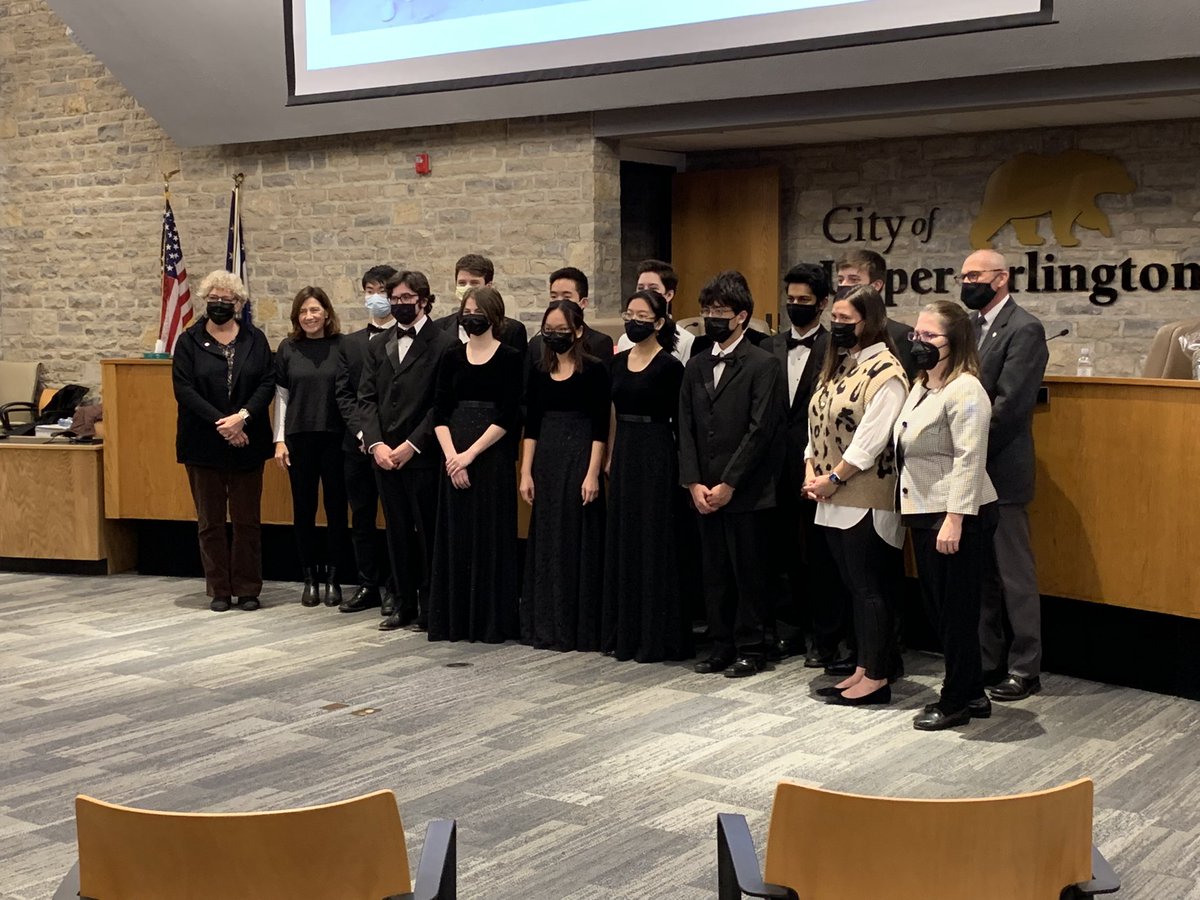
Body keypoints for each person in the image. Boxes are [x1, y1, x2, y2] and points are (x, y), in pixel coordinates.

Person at [895, 300, 999, 730]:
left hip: (957, 512)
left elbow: (970, 458)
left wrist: (954, 518)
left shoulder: (966, 389)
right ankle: (973, 691)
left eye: (930, 336)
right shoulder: (922, 385)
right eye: (917, 335)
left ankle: (955, 701)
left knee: (955, 612)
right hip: (923, 508)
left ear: (954, 342)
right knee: (940, 608)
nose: (919, 342)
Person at [679, 271, 787, 677]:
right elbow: (685, 425)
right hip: (702, 486)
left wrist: (729, 483)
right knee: (714, 572)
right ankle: (720, 644)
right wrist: (693, 482)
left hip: (746, 489)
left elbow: (761, 431)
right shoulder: (697, 363)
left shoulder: (764, 364)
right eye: (707, 311)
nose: (711, 318)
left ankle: (751, 648)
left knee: (749, 572)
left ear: (741, 316)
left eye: (720, 311)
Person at [804, 285, 908, 705]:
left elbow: (871, 440)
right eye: (836, 320)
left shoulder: (887, 372)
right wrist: (811, 468)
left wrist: (833, 477)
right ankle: (864, 666)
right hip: (831, 493)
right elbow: (817, 423)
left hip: (865, 493)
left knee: (870, 588)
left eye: (847, 321)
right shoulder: (841, 364)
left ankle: (878, 677)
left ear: (871, 321)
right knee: (852, 586)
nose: (838, 327)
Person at [959, 249, 1050, 702]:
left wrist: (969, 448)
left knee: (1015, 574)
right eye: (963, 275)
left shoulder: (1024, 327)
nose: (967, 281)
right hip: (969, 473)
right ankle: (987, 660)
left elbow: (1010, 405)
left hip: (1002, 468)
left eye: (974, 274)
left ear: (1002, 278)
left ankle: (1025, 667)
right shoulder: (970, 327)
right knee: (981, 576)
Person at [359, 270, 457, 632]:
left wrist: (412, 445)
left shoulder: (445, 344)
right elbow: (366, 399)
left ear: (425, 301)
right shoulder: (377, 344)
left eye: (407, 298)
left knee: (427, 533)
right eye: (394, 298)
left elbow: (439, 404)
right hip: (385, 457)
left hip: (423, 455)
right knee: (396, 532)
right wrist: (377, 444)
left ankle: (432, 605)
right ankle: (403, 603)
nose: (399, 304)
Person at [171, 270, 273, 612]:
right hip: (203, 444)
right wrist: (224, 424)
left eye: (225, 301)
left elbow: (266, 384)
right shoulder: (188, 341)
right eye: (212, 300)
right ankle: (218, 589)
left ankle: (247, 588)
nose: (218, 305)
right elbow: (184, 390)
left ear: (239, 304)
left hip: (248, 441)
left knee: (247, 521)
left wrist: (242, 418)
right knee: (210, 522)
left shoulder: (254, 339)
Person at [428, 286, 522, 643]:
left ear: (493, 316)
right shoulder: (451, 355)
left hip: (490, 458)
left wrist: (471, 454)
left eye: (477, 310)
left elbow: (508, 414)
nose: (470, 316)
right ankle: (455, 620)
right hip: (453, 456)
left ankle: (489, 622)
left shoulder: (510, 357)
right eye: (465, 310)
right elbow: (439, 411)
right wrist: (453, 456)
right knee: (457, 537)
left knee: (490, 536)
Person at [766, 262, 847, 667]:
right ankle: (787, 631)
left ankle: (826, 639)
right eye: (791, 300)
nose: (796, 306)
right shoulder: (769, 347)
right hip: (775, 467)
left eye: (805, 301)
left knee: (822, 556)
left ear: (823, 304)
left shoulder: (838, 349)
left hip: (822, 467)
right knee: (780, 553)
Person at [602, 289, 690, 662]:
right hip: (624, 451)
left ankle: (656, 634)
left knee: (653, 539)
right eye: (629, 314)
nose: (633, 321)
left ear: (658, 322)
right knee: (625, 538)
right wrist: (608, 455)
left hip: (656, 451)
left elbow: (681, 422)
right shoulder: (618, 363)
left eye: (642, 316)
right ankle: (626, 631)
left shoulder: (671, 366)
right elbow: (611, 412)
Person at [520, 299, 610, 651]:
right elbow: (532, 425)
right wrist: (526, 472)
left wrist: (592, 475)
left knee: (577, 538)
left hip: (579, 456)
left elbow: (600, 426)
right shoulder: (539, 371)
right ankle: (546, 623)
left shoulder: (595, 370)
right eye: (549, 330)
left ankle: (578, 626)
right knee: (546, 540)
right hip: (547, 458)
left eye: (561, 330)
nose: (554, 336)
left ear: (578, 331)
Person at [273, 286, 347, 608]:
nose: (309, 317)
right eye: (303, 312)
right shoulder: (288, 349)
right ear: (296, 317)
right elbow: (282, 397)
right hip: (298, 439)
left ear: (326, 313)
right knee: (303, 511)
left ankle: (334, 578)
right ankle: (310, 579)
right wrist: (279, 439)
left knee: (335, 511)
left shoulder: (342, 346)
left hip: (335, 439)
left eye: (315, 310)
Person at [334, 264, 399, 616]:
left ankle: (394, 585)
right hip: (356, 446)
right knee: (361, 517)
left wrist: (380, 439)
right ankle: (367, 583)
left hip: (391, 446)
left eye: (382, 291)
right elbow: (344, 394)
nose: (376, 297)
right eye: (370, 290)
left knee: (394, 517)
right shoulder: (350, 343)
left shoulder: (403, 339)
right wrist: (362, 434)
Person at [835, 249, 918, 381]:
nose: (844, 286)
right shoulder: (831, 337)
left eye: (853, 280)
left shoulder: (900, 335)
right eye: (840, 280)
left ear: (876, 285)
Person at [433, 253, 528, 353]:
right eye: (462, 283)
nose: (467, 288)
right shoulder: (439, 328)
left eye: (474, 283)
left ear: (488, 286)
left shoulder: (512, 330)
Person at [525, 267, 614, 365]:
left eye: (566, 297)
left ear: (583, 303)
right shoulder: (536, 344)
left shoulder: (599, 343)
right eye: (554, 297)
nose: (559, 302)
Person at [615, 259, 695, 364]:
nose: (645, 294)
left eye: (653, 289)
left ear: (669, 295)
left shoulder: (686, 340)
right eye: (640, 288)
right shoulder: (625, 340)